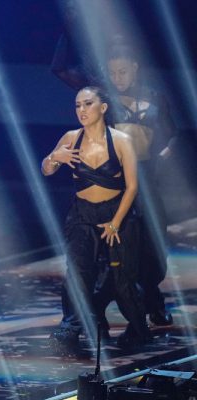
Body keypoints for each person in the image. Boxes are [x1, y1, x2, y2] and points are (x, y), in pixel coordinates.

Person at [42, 86, 150, 350]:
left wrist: (115, 223)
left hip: (116, 213)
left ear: (102, 108)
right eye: (78, 105)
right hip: (82, 214)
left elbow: (132, 187)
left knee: (122, 277)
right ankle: (70, 328)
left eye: (87, 104)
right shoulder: (70, 138)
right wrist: (55, 157)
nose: (82, 110)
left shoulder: (121, 140)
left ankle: (138, 329)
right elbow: (46, 170)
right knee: (78, 273)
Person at [106, 42, 175, 326]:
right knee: (122, 243)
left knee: (154, 240)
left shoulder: (155, 97)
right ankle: (128, 308)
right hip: (117, 180)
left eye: (123, 71)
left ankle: (152, 297)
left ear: (134, 68)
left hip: (148, 177)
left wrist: (163, 154)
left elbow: (171, 134)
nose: (118, 78)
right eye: (113, 73)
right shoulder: (105, 101)